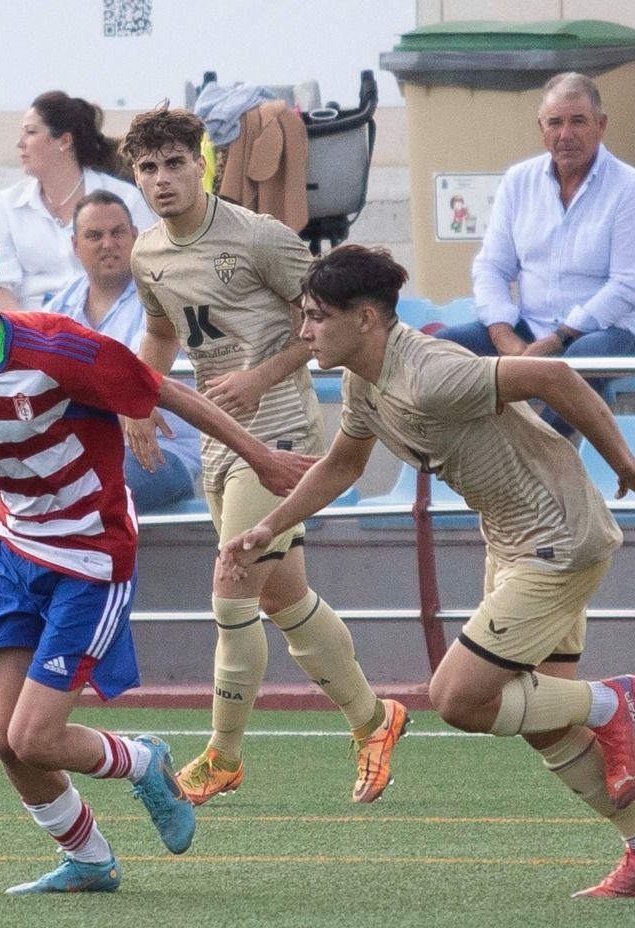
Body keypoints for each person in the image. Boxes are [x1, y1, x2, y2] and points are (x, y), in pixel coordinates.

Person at [0, 221, 314, 894]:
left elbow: (166, 390)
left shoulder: (55, 347)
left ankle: (143, 763)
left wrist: (259, 455)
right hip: (15, 552)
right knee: (7, 741)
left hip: (91, 555)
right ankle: (88, 859)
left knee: (35, 737)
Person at [221, 244, 635, 898]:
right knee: (542, 721)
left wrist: (626, 464)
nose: (304, 332)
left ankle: (614, 701)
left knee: (458, 700)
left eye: (316, 316)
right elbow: (342, 466)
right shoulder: (364, 379)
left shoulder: (433, 375)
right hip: (513, 543)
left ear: (365, 319)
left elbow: (555, 377)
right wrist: (269, 526)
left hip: (558, 541)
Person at [122, 106, 408, 806]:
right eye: (148, 168)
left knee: (233, 581)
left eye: (175, 163)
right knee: (282, 597)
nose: (163, 180)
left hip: (281, 433)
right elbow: (160, 333)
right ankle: (376, 719)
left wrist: (259, 375)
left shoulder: (260, 239)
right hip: (220, 440)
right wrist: (136, 399)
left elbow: (325, 328)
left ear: (203, 164)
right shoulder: (146, 252)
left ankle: (223, 755)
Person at [0, 190, 200, 566]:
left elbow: (114, 390)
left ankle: (67, 601)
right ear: (75, 245)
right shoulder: (58, 307)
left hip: (157, 456)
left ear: (135, 237)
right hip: (66, 451)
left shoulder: (163, 298)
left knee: (76, 489)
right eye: (94, 236)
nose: (108, 244)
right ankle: (13, 597)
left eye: (118, 233)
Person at [436, 72, 635, 436]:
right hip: (529, 327)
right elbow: (492, 267)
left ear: (601, 125)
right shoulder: (518, 181)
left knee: (576, 365)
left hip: (609, 332)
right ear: (541, 128)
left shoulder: (630, 189)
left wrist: (557, 341)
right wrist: (503, 337)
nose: (565, 134)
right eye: (555, 123)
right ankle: (465, 452)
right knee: (438, 351)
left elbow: (627, 288)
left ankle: (535, 450)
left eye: (578, 121)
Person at [0, 90, 154, 311]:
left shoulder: (124, 198)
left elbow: (149, 270)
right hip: (33, 330)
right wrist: (31, 337)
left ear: (64, 141)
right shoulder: (7, 204)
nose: (20, 143)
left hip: (110, 323)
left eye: (31, 132)